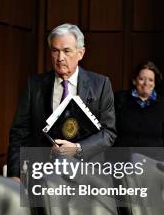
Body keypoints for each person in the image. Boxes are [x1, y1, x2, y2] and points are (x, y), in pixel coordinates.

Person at [7, 23, 116, 177]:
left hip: (86, 176)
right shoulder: (34, 85)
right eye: (55, 51)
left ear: (81, 53)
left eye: (66, 51)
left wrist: (78, 148)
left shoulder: (100, 84)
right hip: (43, 174)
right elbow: (19, 133)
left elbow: (109, 132)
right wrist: (15, 174)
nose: (60, 58)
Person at [114, 61, 164, 148]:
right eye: (141, 79)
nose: (146, 83)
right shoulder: (120, 99)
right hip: (123, 159)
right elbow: (110, 132)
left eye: (151, 80)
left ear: (155, 83)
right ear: (134, 81)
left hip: (153, 160)